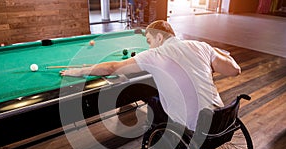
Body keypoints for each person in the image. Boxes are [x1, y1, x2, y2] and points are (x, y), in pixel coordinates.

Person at [60, 20, 241, 131]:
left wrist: (80, 71)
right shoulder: (201, 46)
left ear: (160, 38)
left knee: (152, 97)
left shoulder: (154, 55)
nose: (148, 47)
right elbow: (235, 70)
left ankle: (155, 139)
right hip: (222, 119)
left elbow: (112, 68)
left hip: (194, 127)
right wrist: (214, 51)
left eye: (149, 41)